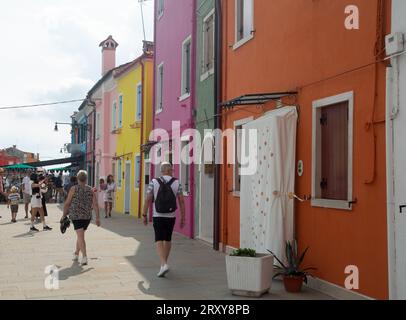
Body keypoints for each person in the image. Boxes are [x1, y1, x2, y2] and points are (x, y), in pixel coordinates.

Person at [142, 162, 186, 277]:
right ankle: (163, 265)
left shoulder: (154, 182)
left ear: (162, 171)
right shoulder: (177, 183)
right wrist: (183, 216)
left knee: (158, 239)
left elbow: (148, 199)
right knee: (167, 239)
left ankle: (163, 263)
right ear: (170, 170)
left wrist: (144, 214)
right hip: (171, 216)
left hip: (158, 215)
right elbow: (181, 201)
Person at [61, 170, 101, 266]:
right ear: (86, 179)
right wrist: (98, 218)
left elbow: (67, 203)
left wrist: (63, 215)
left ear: (78, 179)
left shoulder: (73, 189)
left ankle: (84, 257)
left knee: (80, 236)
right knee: (81, 235)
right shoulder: (90, 189)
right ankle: (76, 253)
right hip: (87, 216)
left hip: (76, 216)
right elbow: (95, 204)